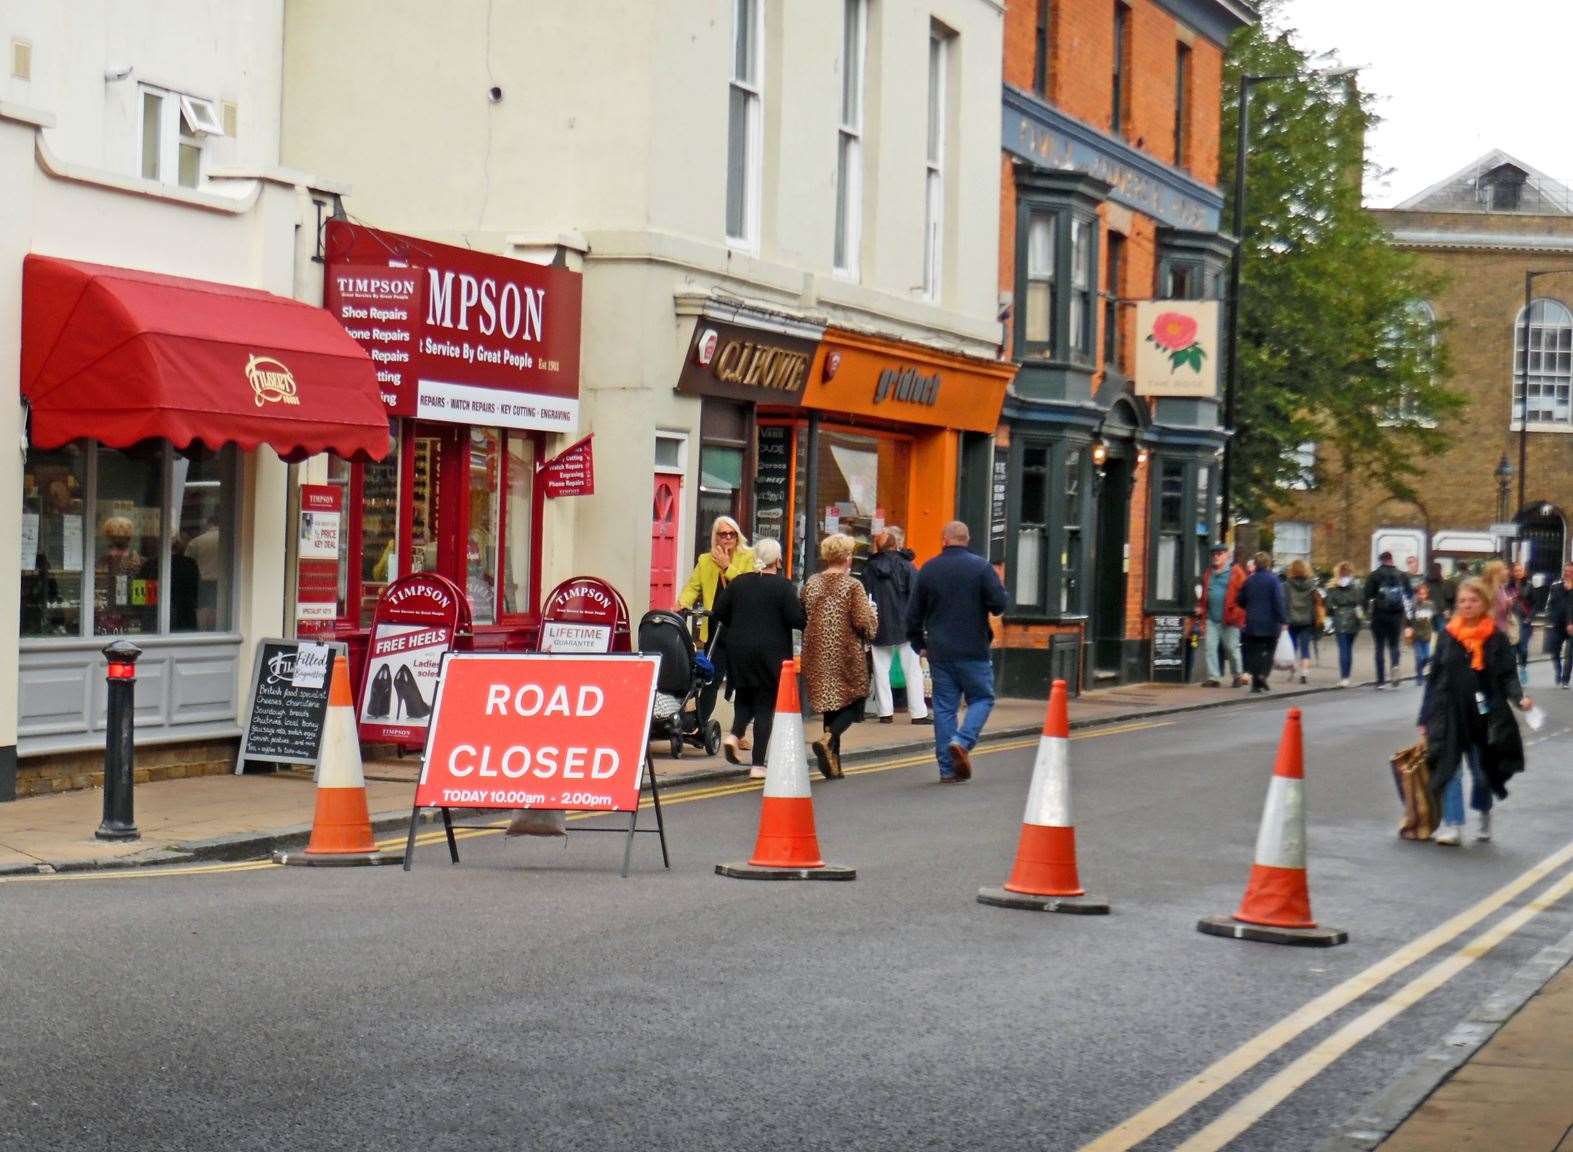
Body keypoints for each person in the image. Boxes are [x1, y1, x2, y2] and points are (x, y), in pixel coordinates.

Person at [1417, 577, 1532, 846]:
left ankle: (1483, 813)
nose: (1467, 605)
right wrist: (1425, 717)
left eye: (1473, 600)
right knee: (1450, 769)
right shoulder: (1448, 635)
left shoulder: (1496, 637)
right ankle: (1453, 826)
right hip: (1450, 713)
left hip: (1484, 714)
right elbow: (1435, 677)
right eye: (1462, 601)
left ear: (1484, 603)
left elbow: (1507, 676)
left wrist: (1519, 698)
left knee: (1482, 772)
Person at [906, 520, 1007, 783]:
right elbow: (999, 605)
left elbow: (912, 615)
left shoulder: (928, 569)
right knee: (982, 698)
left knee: (944, 709)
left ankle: (947, 770)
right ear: (967, 539)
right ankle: (962, 741)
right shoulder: (981, 567)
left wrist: (919, 644)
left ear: (944, 540)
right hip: (974, 649)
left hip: (939, 650)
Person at [712, 538, 805, 779]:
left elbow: (719, 612)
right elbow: (797, 620)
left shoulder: (739, 583)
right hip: (770, 652)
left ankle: (734, 735)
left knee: (744, 695)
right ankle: (757, 764)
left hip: (738, 649)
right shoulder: (784, 587)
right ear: (778, 560)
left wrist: (741, 624)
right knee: (764, 705)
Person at [800, 533, 876, 780]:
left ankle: (834, 764)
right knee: (855, 700)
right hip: (846, 652)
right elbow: (863, 622)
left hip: (816, 652)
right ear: (846, 557)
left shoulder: (811, 583)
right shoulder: (853, 585)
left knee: (831, 704)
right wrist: (874, 624)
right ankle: (829, 738)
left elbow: (802, 615)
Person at [678, 515, 755, 729]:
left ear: (737, 536)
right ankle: (700, 724)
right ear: (716, 537)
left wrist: (727, 567)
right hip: (716, 627)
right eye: (723, 534)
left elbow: (748, 588)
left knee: (743, 683)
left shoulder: (748, 557)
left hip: (741, 627)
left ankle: (739, 733)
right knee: (710, 678)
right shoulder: (705, 560)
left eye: (732, 534)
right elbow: (693, 587)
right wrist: (682, 602)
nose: (728, 538)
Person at [860, 527, 930, 725]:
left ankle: (885, 713)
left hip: (879, 624)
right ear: (895, 545)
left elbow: (864, 596)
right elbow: (918, 595)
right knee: (913, 670)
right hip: (905, 624)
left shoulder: (869, 568)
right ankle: (918, 714)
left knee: (881, 670)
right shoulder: (907, 566)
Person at [1195, 543, 1248, 688]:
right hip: (1212, 618)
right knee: (1210, 648)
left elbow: (1245, 594)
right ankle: (1214, 677)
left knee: (1232, 648)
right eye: (1214, 554)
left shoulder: (1236, 573)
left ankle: (1237, 675)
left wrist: (1238, 611)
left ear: (1227, 556)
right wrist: (1201, 606)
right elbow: (1205, 593)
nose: (1216, 557)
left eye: (1219, 554)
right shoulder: (1208, 573)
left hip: (1230, 618)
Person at [1235, 551, 1287, 693]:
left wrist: (1249, 607)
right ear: (1268, 564)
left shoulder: (1249, 580)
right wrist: (1283, 619)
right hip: (1270, 623)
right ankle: (1263, 674)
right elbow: (1278, 601)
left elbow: (1240, 600)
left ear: (1255, 564)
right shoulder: (1274, 580)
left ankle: (1256, 684)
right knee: (1269, 651)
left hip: (1252, 622)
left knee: (1254, 652)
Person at [1364, 550, 1409, 689]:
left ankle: (1381, 680)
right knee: (1394, 645)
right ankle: (1395, 667)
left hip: (1379, 615)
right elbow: (1408, 595)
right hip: (1396, 615)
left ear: (1381, 560)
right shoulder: (1402, 575)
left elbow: (1367, 595)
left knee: (1379, 646)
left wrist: (1367, 613)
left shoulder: (1374, 575)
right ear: (1392, 560)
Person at [1324, 561, 1363, 688]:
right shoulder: (1357, 585)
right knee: (1349, 649)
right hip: (1353, 618)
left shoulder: (1332, 586)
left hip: (1339, 617)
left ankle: (1343, 678)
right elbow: (1361, 601)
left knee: (1343, 649)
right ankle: (1347, 676)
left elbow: (1329, 605)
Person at [1283, 559, 1321, 686]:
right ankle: (1304, 672)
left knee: (1292, 646)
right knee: (1305, 648)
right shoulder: (1311, 585)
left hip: (1291, 620)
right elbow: (1317, 601)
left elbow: (1284, 602)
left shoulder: (1287, 585)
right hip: (1307, 620)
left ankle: (1292, 669)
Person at [1543, 562, 1573, 689]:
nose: (1568, 573)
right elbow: (1549, 604)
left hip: (1572, 627)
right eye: (1566, 571)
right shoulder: (1555, 586)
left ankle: (1565, 680)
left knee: (1570, 654)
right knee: (1554, 652)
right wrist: (1550, 618)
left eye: (1571, 572)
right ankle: (1558, 671)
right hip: (1558, 625)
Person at [1508, 561, 1534, 681]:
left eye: (1520, 570)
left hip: (1524, 620)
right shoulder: (1508, 586)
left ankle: (1523, 667)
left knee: (1522, 648)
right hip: (1512, 620)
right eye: (1516, 570)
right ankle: (1513, 673)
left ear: (1524, 572)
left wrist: (1530, 617)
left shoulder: (1529, 585)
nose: (1518, 573)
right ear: (1512, 572)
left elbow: (1535, 604)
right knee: (1512, 648)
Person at [1407, 581, 1436, 687]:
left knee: (1427, 657)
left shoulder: (1430, 605)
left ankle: (1419, 669)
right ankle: (1419, 677)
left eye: (1423, 594)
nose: (1421, 596)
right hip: (1417, 635)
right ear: (1416, 594)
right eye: (1419, 594)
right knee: (1419, 657)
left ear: (1426, 594)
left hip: (1427, 635)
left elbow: (1433, 619)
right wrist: (1408, 628)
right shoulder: (1413, 606)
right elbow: (1408, 619)